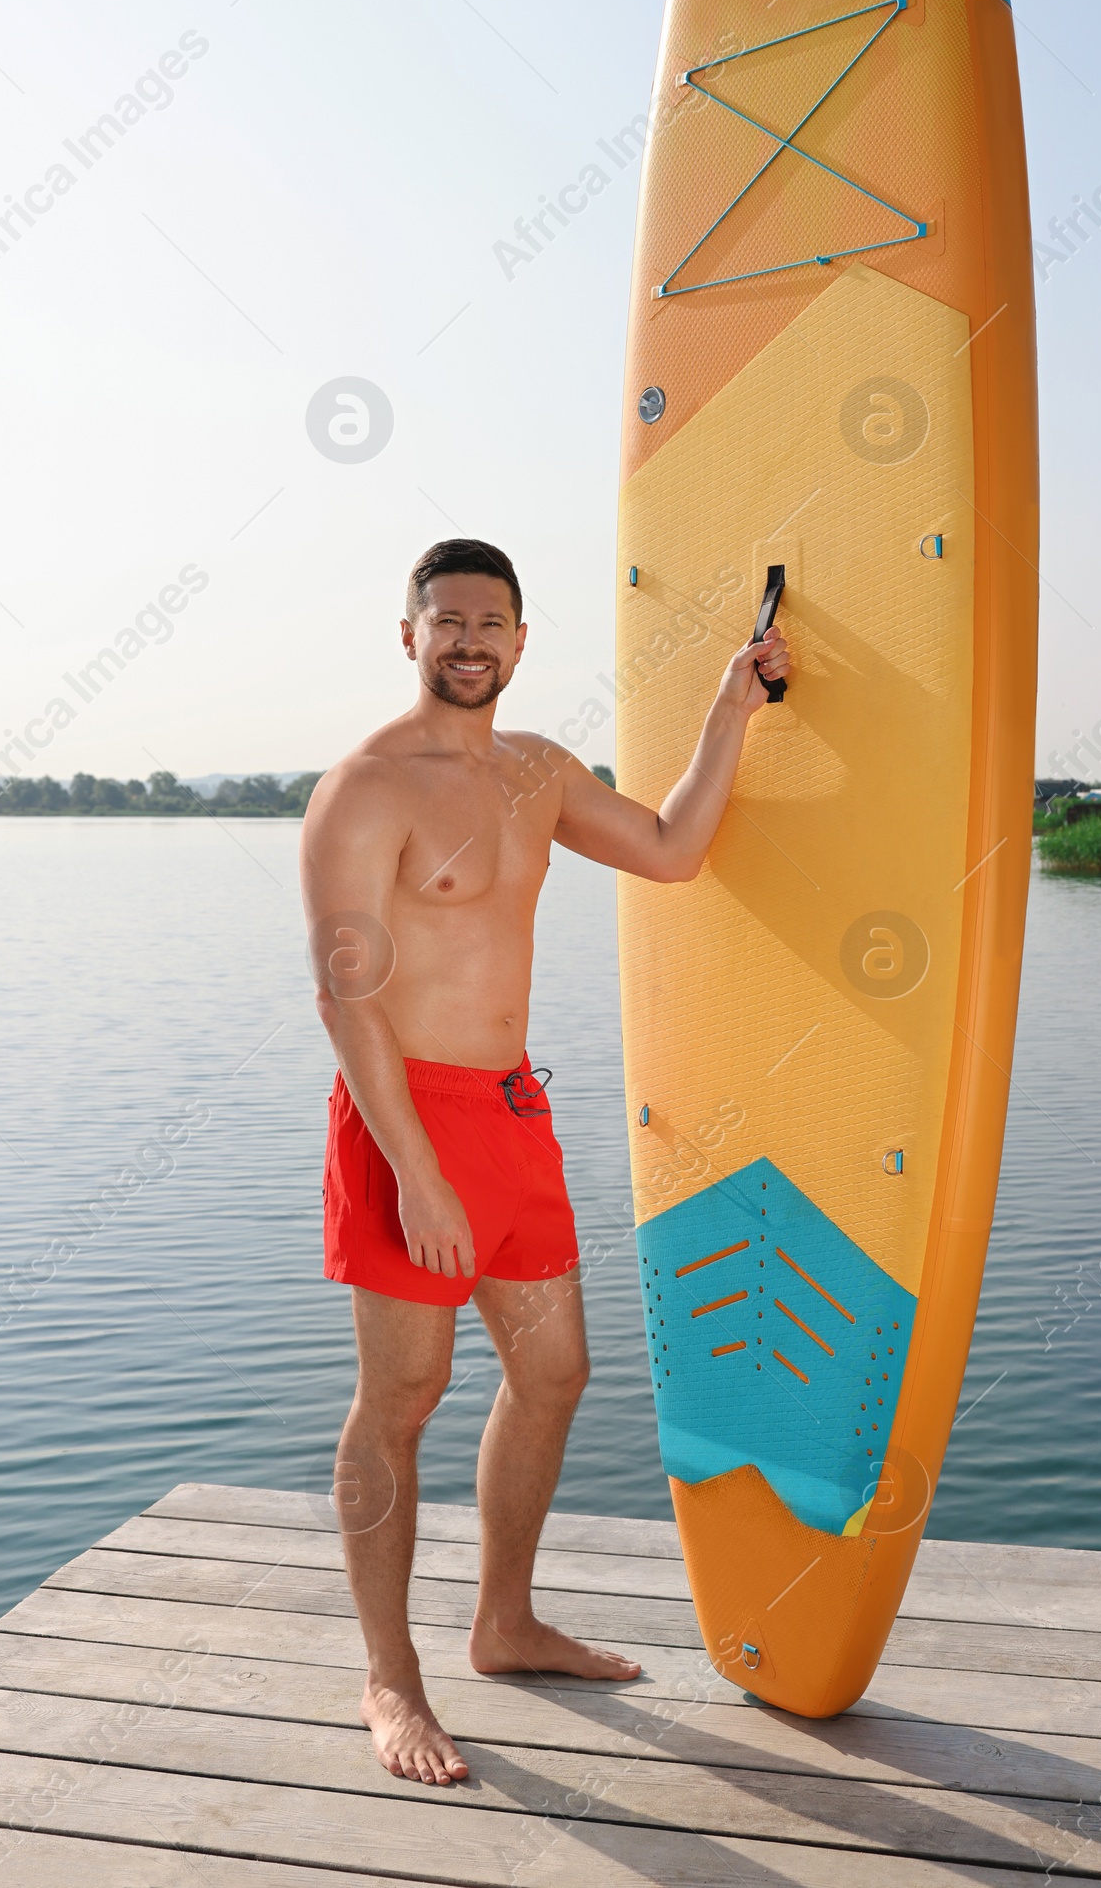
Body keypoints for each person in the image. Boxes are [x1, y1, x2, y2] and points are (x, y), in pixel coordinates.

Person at [299, 536, 791, 1786]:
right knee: (403, 1399)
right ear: (406, 635)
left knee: (557, 1372)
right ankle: (387, 1676)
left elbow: (673, 848)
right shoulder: (364, 787)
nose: (469, 641)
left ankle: (503, 1622)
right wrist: (415, 1171)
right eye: (446, 620)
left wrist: (730, 707)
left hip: (514, 1115)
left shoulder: (538, 772)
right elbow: (346, 998)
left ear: (523, 642)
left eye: (492, 622)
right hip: (404, 1119)